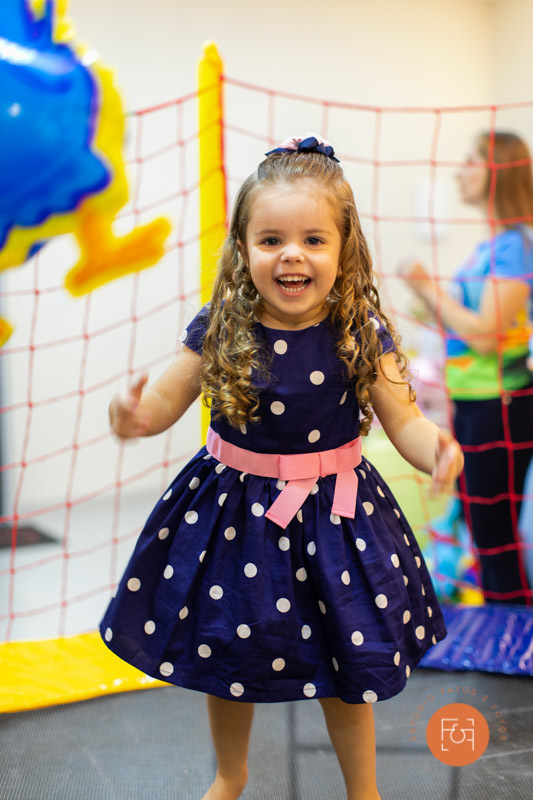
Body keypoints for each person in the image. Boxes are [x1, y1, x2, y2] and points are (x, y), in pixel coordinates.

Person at [100, 133, 464, 800]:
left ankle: (364, 789)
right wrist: (131, 417)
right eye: (270, 240)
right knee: (222, 647)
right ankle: (230, 775)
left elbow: (404, 421)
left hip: (336, 519)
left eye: (311, 240)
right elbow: (161, 402)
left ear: (341, 249)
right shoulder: (220, 327)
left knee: (345, 654)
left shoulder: (360, 332)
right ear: (243, 250)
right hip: (232, 516)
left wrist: (435, 446)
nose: (290, 253)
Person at [399, 131, 533, 606]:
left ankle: (513, 636)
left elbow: (484, 334)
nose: (461, 171)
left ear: (498, 169)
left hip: (500, 403)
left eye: (472, 160)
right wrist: (433, 307)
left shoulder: (515, 246)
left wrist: (428, 290)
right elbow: (472, 325)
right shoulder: (493, 245)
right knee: (482, 525)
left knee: (493, 530)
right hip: (475, 401)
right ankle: (509, 625)